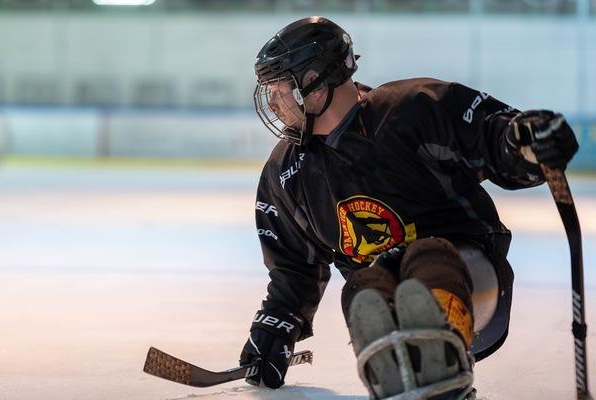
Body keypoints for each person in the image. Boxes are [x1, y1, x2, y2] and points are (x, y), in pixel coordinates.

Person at [238, 16, 578, 399]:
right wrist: (278, 322)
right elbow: (294, 265)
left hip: (469, 277)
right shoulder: (285, 172)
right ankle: (400, 382)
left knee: (426, 256)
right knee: (364, 287)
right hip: (382, 280)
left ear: (314, 82)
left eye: (280, 88)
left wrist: (524, 142)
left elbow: (493, 139)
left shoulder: (411, 109)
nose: (273, 102)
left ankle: (443, 363)